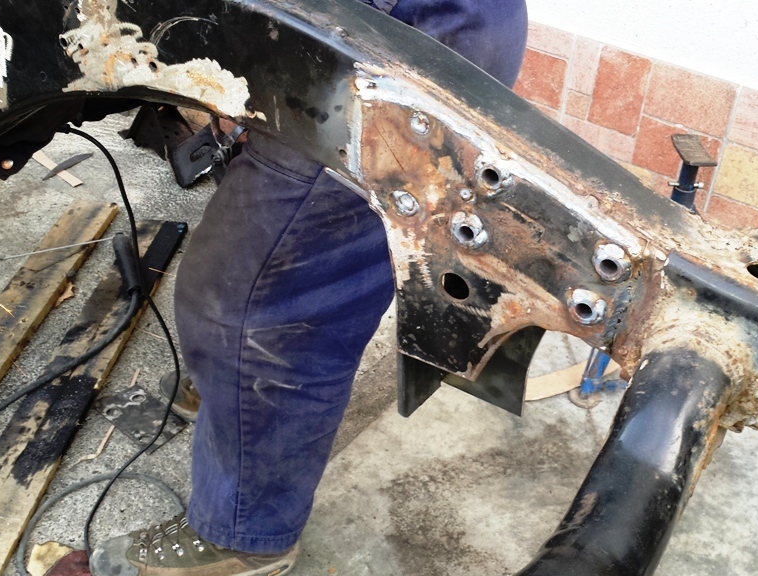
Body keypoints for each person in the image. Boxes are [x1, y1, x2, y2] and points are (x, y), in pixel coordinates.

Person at [90, 0, 527, 574]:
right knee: (297, 270)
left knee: (254, 307)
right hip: (380, 34)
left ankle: (242, 535)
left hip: (382, 49)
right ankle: (238, 395)